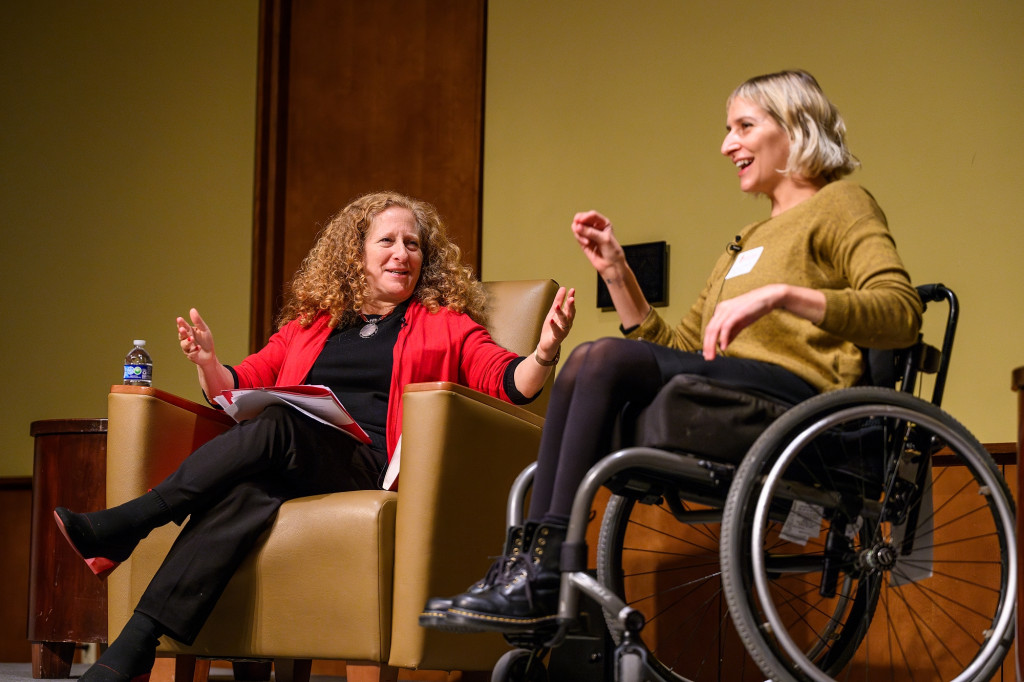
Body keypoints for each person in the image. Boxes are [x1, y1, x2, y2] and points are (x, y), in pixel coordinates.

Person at [421, 69, 923, 633]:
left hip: (798, 397)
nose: (727, 144)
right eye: (727, 129)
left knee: (600, 357)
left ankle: (541, 575)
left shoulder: (841, 204)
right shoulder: (747, 239)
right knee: (595, 357)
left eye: (743, 127)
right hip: (732, 381)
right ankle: (531, 567)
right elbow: (680, 349)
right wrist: (616, 272)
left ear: (794, 128)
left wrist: (786, 296)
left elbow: (901, 312)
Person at [53, 190, 576, 682]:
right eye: (387, 242)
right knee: (243, 493)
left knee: (279, 424)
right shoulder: (311, 324)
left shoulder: (445, 322)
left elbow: (509, 382)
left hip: (372, 462)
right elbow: (238, 387)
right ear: (356, 254)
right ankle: (132, 651)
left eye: (413, 244)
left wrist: (546, 351)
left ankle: (133, 520)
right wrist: (209, 363)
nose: (402, 254)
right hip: (298, 459)